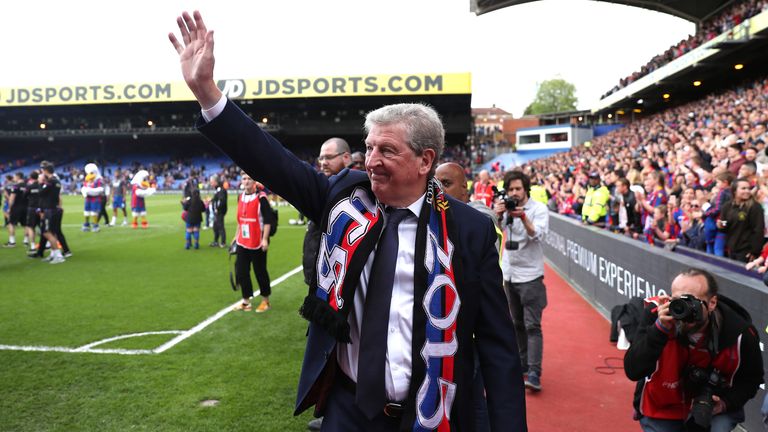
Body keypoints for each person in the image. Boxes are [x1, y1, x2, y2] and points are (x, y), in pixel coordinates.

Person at [169, 11, 526, 431]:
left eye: (387, 151)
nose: (370, 161)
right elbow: (270, 160)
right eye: (369, 147)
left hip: (432, 414)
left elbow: (498, 349)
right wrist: (207, 92)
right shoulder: (343, 197)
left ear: (425, 161)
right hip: (347, 410)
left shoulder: (469, 230)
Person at [624, 268, 764, 432]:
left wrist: (725, 403)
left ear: (712, 303)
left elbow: (752, 380)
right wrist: (659, 330)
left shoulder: (741, 333)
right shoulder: (657, 316)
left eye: (691, 301)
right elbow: (633, 371)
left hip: (710, 408)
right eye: (676, 300)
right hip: (663, 404)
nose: (683, 309)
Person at [304, 137, 352, 432]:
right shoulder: (325, 190)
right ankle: (328, 411)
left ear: (346, 159)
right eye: (320, 157)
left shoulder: (352, 195)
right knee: (323, 352)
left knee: (337, 355)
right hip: (320, 287)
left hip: (340, 292)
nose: (322, 163)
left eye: (329, 157)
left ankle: (333, 414)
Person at [493, 170, 549, 393]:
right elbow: (493, 231)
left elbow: (539, 236)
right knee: (516, 324)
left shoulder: (539, 209)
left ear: (526, 189)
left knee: (532, 326)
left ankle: (534, 372)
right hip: (509, 274)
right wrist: (497, 214)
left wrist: (523, 217)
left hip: (531, 276)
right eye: (511, 190)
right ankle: (522, 364)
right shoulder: (505, 207)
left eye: (518, 189)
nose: (514, 193)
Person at [231, 172, 274, 313]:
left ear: (254, 181)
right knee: (242, 271)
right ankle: (246, 301)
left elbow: (268, 221)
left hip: (257, 241)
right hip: (243, 241)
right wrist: (235, 236)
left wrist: (265, 239)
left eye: (249, 178)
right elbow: (240, 220)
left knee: (260, 271)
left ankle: (265, 300)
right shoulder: (240, 197)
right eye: (244, 178)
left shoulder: (261, 198)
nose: (247, 181)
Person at [717, 177, 765, 262]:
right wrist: (721, 225)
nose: (747, 191)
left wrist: (754, 251)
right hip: (732, 249)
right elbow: (725, 224)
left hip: (747, 251)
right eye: (743, 188)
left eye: (748, 188)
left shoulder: (755, 207)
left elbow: (758, 230)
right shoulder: (727, 206)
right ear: (734, 191)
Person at [4, 172, 28, 248]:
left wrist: (9, 208)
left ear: (18, 177)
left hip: (16, 208)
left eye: (15, 176)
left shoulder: (15, 186)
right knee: (26, 225)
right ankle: (26, 241)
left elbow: (11, 198)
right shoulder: (27, 186)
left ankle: (12, 242)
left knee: (11, 224)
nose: (14, 177)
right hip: (26, 208)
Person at [81, 163, 105, 232]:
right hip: (88, 199)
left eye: (91, 172)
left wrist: (89, 190)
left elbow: (100, 189)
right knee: (86, 212)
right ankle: (86, 224)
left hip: (95, 199)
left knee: (94, 212)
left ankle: (95, 225)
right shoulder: (86, 181)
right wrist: (84, 192)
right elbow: (84, 188)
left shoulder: (98, 180)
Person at [208, 174, 228, 247]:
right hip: (218, 211)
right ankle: (216, 242)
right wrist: (212, 200)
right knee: (215, 226)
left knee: (220, 226)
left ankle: (223, 242)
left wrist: (217, 208)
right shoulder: (218, 189)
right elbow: (217, 199)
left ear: (215, 181)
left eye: (211, 182)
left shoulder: (220, 190)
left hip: (219, 211)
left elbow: (221, 201)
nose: (211, 183)